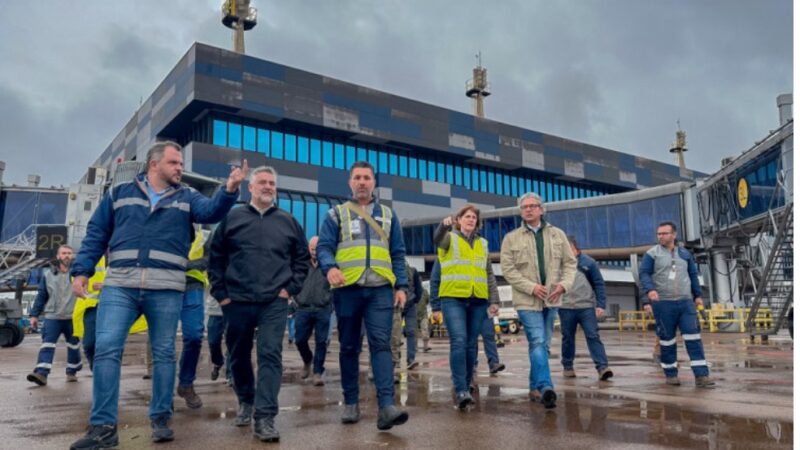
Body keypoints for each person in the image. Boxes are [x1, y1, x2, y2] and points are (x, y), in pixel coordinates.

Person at [68, 141, 245, 449]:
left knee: (163, 353)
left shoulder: (187, 197)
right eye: (175, 163)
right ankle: (103, 427)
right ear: (154, 164)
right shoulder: (118, 195)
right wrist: (81, 270)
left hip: (165, 287)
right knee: (108, 348)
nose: (180, 168)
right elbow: (97, 233)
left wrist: (229, 190)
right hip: (121, 284)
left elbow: (211, 212)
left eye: (180, 163)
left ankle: (161, 418)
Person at [208, 166, 310, 442]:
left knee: (270, 356)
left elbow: (302, 261)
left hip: (273, 302)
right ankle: (246, 400)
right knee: (238, 356)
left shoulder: (288, 221)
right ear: (250, 187)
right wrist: (222, 294)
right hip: (236, 301)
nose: (268, 187)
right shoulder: (233, 218)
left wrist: (289, 290)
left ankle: (265, 417)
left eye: (272, 183)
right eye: (262, 182)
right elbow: (214, 257)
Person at [316, 161, 410, 430]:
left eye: (366, 178)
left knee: (381, 344)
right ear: (349, 183)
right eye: (357, 177)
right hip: (347, 290)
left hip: (380, 289)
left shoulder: (390, 216)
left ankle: (386, 407)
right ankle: (351, 402)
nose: (361, 182)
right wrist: (330, 267)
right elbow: (324, 247)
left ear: (374, 183)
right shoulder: (336, 214)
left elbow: (398, 254)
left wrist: (402, 286)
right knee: (348, 347)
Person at [500, 192, 576, 409]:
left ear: (541, 210)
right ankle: (545, 387)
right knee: (536, 341)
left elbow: (570, 264)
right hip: (526, 300)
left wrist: (563, 285)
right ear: (521, 212)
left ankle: (534, 387)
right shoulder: (511, 238)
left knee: (543, 344)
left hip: (552, 299)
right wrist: (530, 287)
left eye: (533, 206)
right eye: (524, 207)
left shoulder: (557, 235)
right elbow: (508, 270)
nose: (529, 210)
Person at [430, 205, 501, 410]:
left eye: (473, 217)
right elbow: (437, 239)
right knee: (459, 340)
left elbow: (488, 274)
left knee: (471, 343)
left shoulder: (483, 244)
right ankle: (460, 388)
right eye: (467, 216)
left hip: (478, 300)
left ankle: (468, 382)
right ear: (459, 220)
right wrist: (443, 227)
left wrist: (494, 300)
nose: (470, 220)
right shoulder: (449, 239)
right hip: (453, 298)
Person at [639, 221, 715, 388]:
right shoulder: (651, 254)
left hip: (686, 302)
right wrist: (649, 291)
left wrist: (697, 296)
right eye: (658, 234)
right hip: (663, 303)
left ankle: (702, 375)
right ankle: (671, 374)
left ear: (674, 235)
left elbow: (693, 275)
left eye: (664, 233)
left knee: (693, 337)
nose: (660, 236)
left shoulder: (685, 254)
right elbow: (644, 274)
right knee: (667, 340)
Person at [558, 236, 613, 381]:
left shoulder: (589, 263)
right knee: (568, 338)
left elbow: (599, 284)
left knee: (593, 335)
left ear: (574, 247)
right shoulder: (558, 264)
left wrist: (600, 305)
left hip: (586, 307)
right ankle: (568, 366)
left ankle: (602, 367)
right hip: (565, 307)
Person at [27, 245, 82, 386]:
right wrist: (34, 315)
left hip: (73, 317)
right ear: (58, 256)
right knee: (47, 345)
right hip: (53, 317)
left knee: (74, 346)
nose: (67, 256)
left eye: (69, 253)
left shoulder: (79, 274)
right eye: (64, 253)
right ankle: (41, 374)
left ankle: (72, 371)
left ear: (73, 256)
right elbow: (41, 296)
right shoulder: (48, 275)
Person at [176, 227, 211, 409]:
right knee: (162, 341)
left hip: (193, 286)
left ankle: (186, 383)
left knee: (194, 335)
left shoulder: (204, 231)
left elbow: (210, 257)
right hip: (166, 284)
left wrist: (189, 265)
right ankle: (163, 395)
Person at [293, 236, 333, 386]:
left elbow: (334, 284)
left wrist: (329, 301)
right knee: (300, 340)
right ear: (308, 248)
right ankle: (307, 360)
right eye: (312, 248)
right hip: (303, 308)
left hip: (322, 309)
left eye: (317, 248)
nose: (315, 252)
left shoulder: (328, 264)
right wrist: (297, 297)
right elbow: (295, 280)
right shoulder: (302, 264)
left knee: (321, 341)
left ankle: (317, 372)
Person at [391, 262, 422, 375]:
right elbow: (419, 290)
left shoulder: (413, 271)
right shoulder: (395, 269)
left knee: (410, 331)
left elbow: (419, 289)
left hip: (409, 304)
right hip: (398, 303)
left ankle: (410, 359)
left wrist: (414, 300)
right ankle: (398, 359)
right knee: (397, 332)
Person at [416, 287, 431, 353]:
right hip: (414, 314)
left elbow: (428, 300)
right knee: (413, 332)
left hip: (423, 314)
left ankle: (426, 346)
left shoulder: (424, 291)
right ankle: (414, 347)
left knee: (425, 329)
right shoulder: (412, 290)